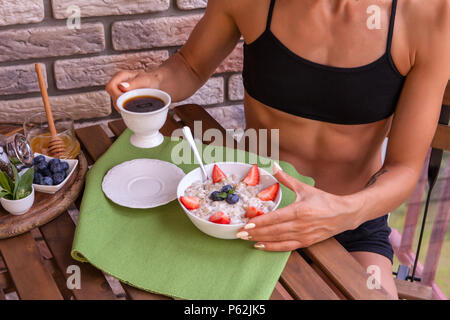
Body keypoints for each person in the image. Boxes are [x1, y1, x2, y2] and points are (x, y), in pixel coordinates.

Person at [106, 0, 450, 298]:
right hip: (248, 208)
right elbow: (190, 65)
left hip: (350, 220)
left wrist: (344, 212)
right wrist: (151, 82)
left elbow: (404, 168)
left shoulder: (430, 15)